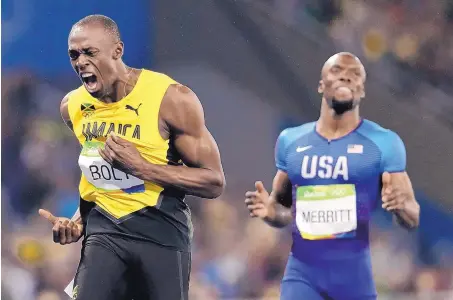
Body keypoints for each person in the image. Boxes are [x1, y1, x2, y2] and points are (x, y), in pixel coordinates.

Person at [38, 14, 225, 300]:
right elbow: (99, 177)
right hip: (104, 232)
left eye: (89, 52)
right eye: (74, 55)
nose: (80, 62)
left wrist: (142, 168)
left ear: (118, 51)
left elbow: (213, 181)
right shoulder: (72, 106)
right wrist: (78, 221)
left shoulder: (171, 98)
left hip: (161, 233)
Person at [245, 52, 420, 300]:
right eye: (337, 71)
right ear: (320, 84)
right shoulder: (291, 141)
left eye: (355, 74)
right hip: (302, 275)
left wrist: (402, 208)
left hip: (353, 278)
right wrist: (271, 213)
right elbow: (282, 211)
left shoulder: (384, 143)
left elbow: (412, 217)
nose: (346, 77)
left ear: (362, 90)